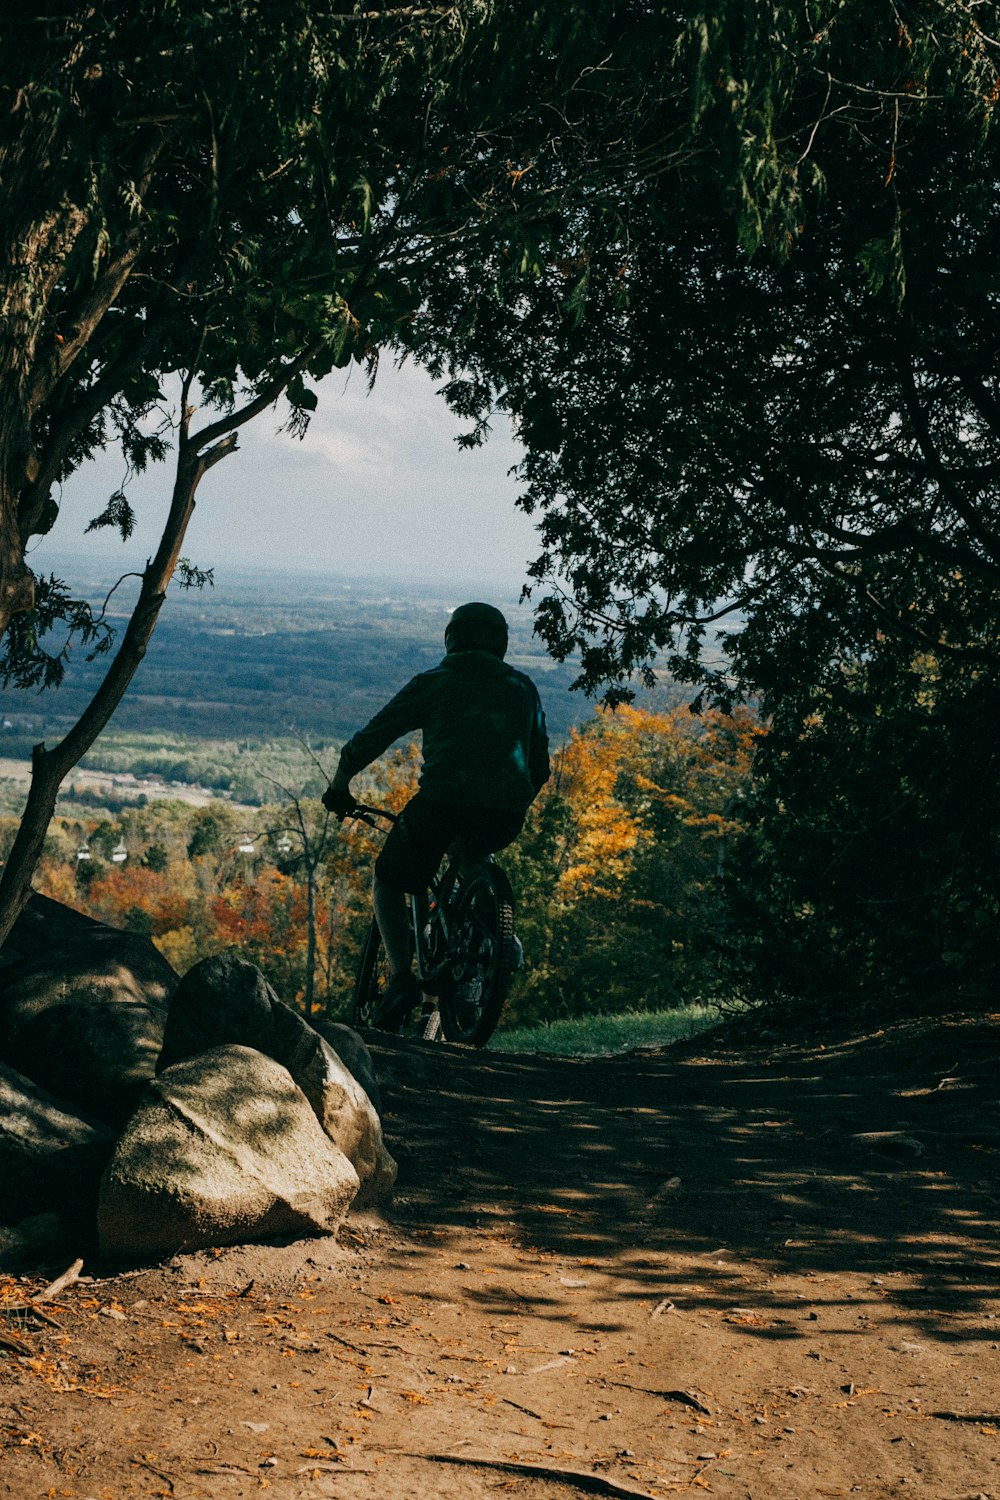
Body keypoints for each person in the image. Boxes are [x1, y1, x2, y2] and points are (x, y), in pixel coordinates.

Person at [323, 601, 550, 1027]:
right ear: (500, 643)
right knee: (472, 856)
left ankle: (401, 978)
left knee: (388, 879)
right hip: (505, 816)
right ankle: (500, 938)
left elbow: (374, 735)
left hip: (440, 809)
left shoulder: (434, 682)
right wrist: (511, 800)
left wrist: (340, 783)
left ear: (452, 639)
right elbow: (540, 769)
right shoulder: (524, 688)